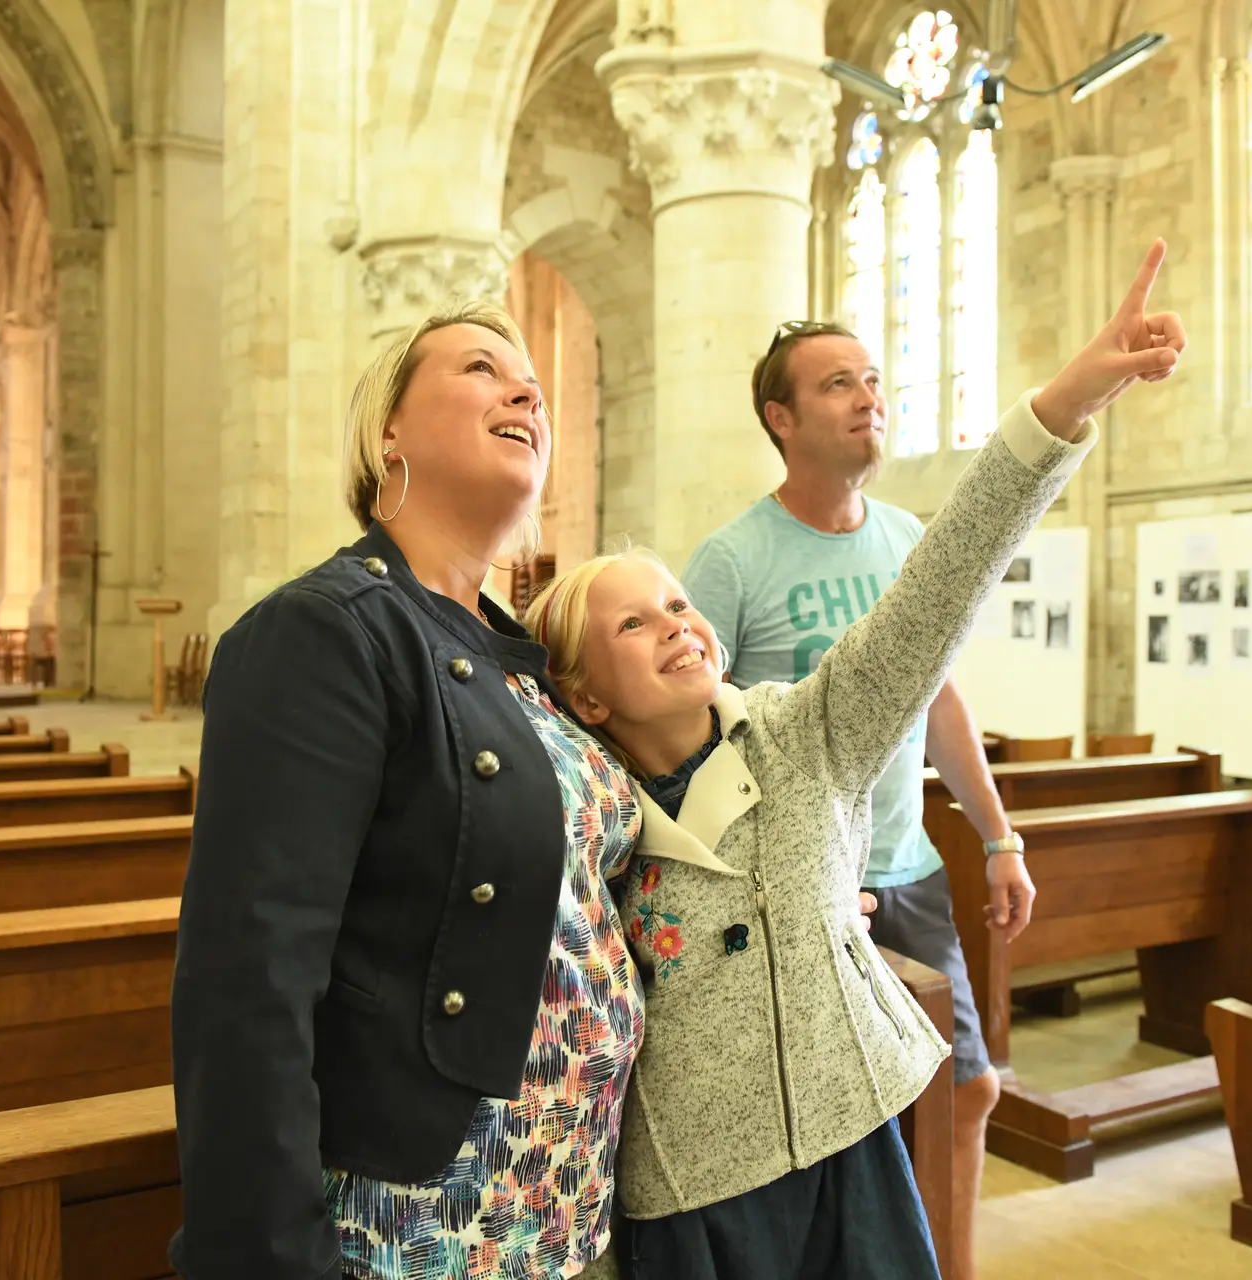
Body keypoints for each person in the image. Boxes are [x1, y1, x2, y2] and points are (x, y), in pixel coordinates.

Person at [525, 241, 1185, 1278]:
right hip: (694, 1189)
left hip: (847, 1136)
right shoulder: (587, 824)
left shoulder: (804, 735)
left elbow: (946, 580)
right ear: (586, 693)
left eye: (678, 607)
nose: (678, 625)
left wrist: (1071, 395)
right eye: (634, 624)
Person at [169, 302, 643, 1278]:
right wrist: (266, 1259)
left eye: (533, 385)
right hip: (419, 1222)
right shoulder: (327, 632)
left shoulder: (521, 661)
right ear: (388, 431)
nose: (525, 390)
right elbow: (248, 980)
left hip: (569, 1199)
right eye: (481, 369)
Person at [677, 325, 1034, 1280]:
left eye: (873, 379)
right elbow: (685, 733)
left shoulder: (908, 540)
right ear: (781, 419)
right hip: (801, 899)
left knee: (969, 1090)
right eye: (839, 384)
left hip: (905, 871)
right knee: (832, 1125)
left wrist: (998, 836)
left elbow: (941, 698)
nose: (869, 397)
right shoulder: (731, 562)